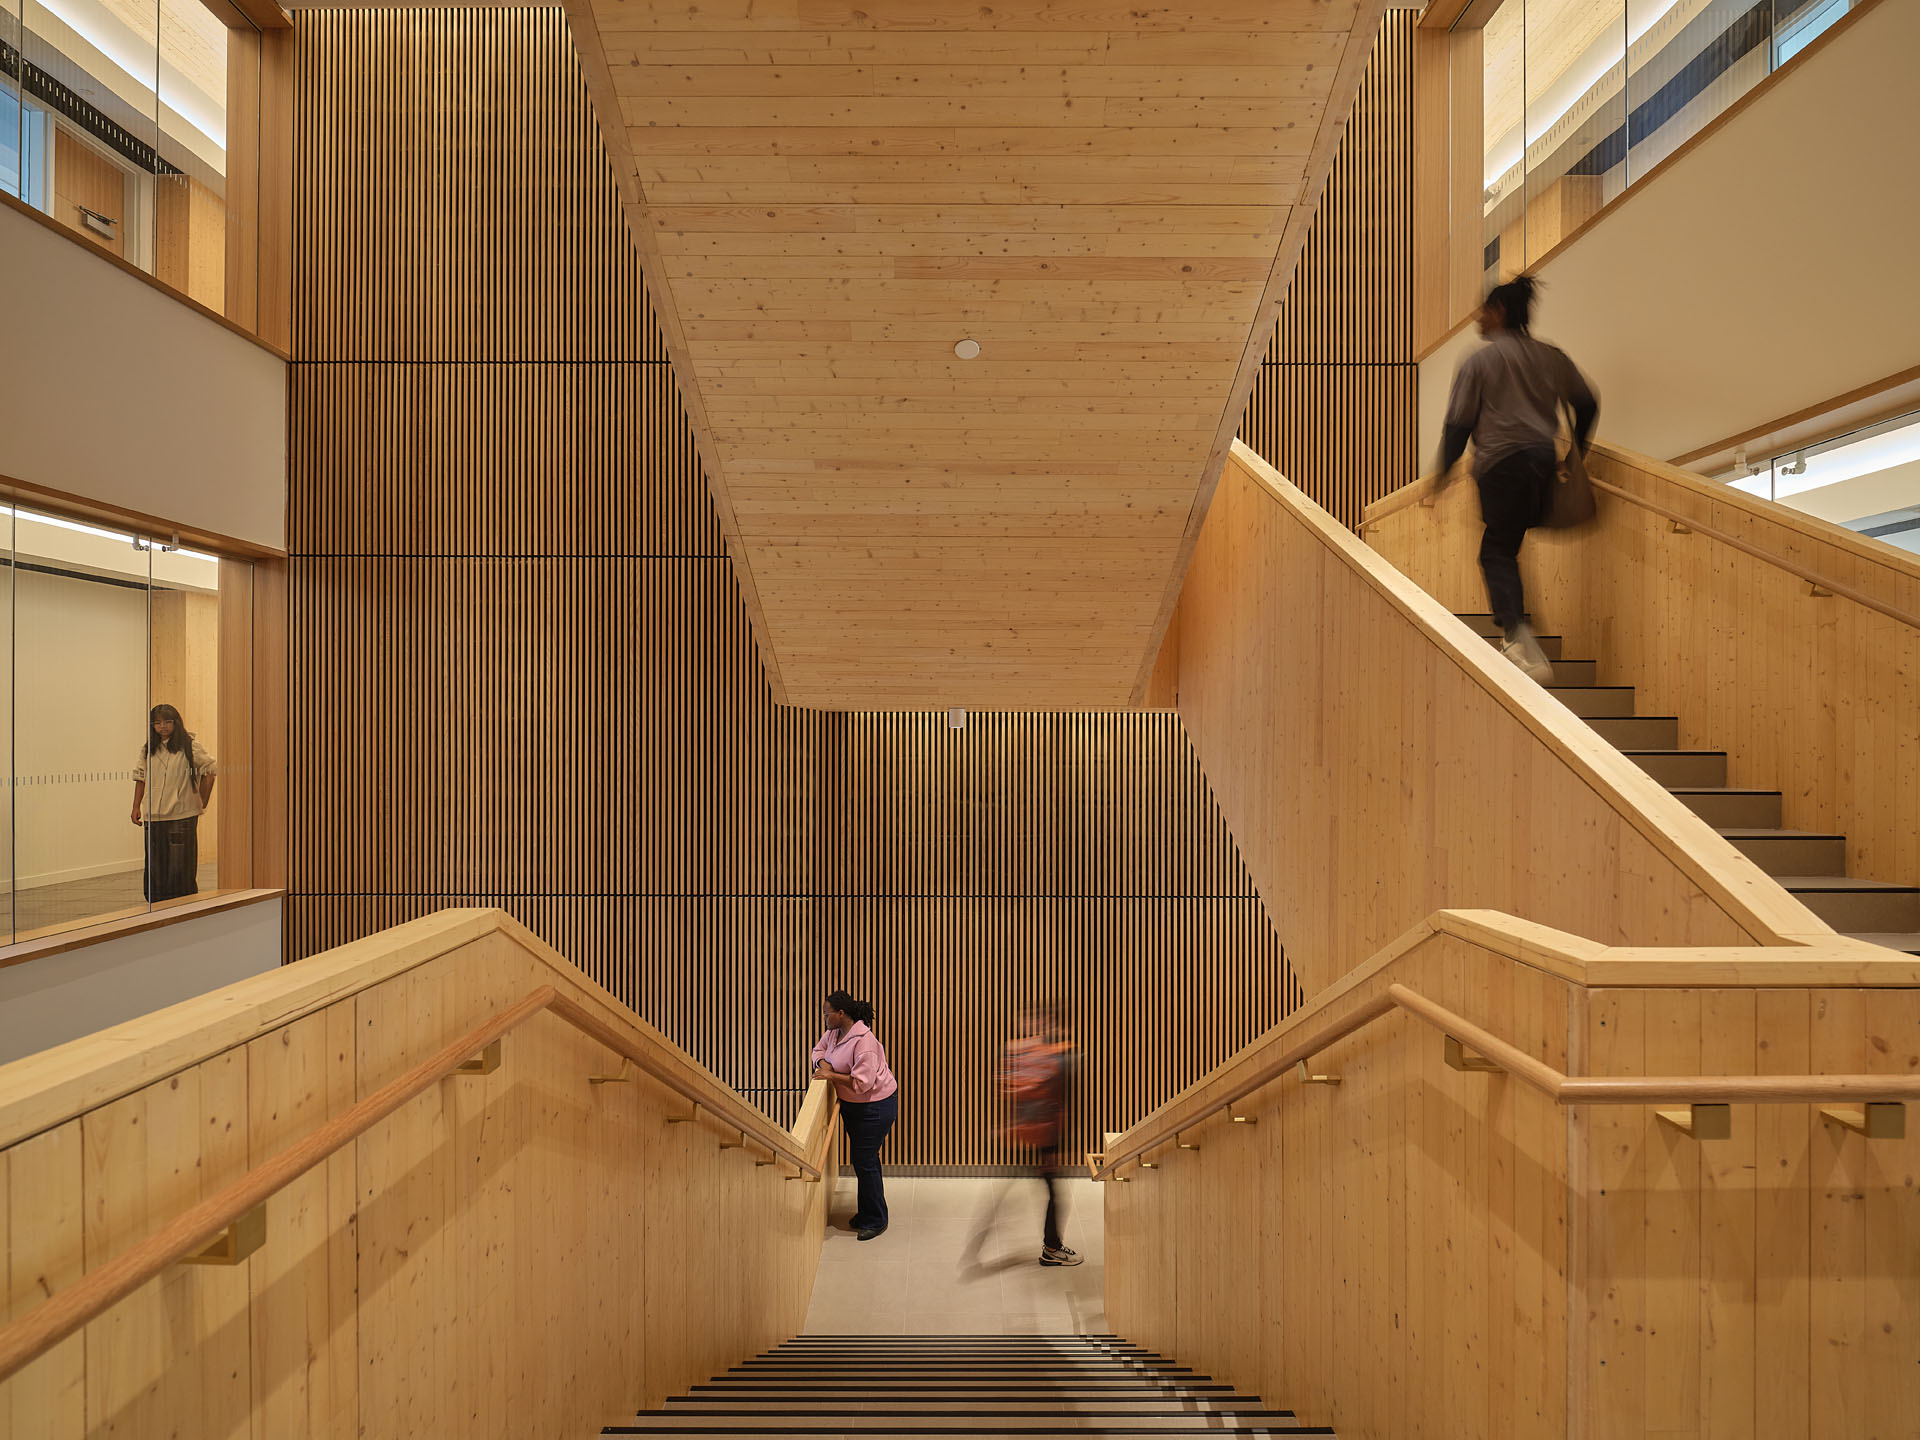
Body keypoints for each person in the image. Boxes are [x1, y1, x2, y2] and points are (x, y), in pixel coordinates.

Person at [1436, 274, 1599, 684]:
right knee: (1507, 546)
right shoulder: (1550, 356)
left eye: (1484, 310)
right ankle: (1523, 630)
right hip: (1541, 465)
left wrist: (1440, 475)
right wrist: (1574, 455)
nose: (1478, 318)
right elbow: (1587, 403)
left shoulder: (1480, 362)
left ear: (1499, 312)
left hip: (1501, 466)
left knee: (1496, 551)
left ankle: (1517, 638)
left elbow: (1458, 425)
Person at [964, 1001, 1082, 1269]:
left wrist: (1005, 1126)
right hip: (1042, 1135)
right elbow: (1058, 1098)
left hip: (1021, 1133)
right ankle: (1052, 1248)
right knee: (1051, 1194)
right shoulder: (1061, 1055)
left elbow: (1005, 1088)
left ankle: (977, 1244)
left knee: (1016, 1192)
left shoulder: (1016, 1051)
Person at [810, 989, 898, 1242]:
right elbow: (818, 1051)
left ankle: (876, 1219)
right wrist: (824, 1064)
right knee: (864, 1161)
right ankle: (869, 1211)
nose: (824, 1018)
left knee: (865, 1161)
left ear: (841, 1013)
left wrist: (831, 1074)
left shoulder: (864, 1042)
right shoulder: (833, 1033)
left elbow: (863, 1084)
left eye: (827, 1014)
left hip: (875, 1107)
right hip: (853, 1106)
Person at [130, 703, 217, 903]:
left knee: (180, 866)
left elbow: (210, 771)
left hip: (182, 816)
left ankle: (183, 903)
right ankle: (157, 904)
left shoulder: (190, 746)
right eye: (157, 723)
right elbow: (140, 777)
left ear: (176, 722)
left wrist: (201, 801)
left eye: (167, 722)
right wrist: (135, 806)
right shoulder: (148, 749)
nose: (162, 727)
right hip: (153, 815)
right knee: (155, 865)